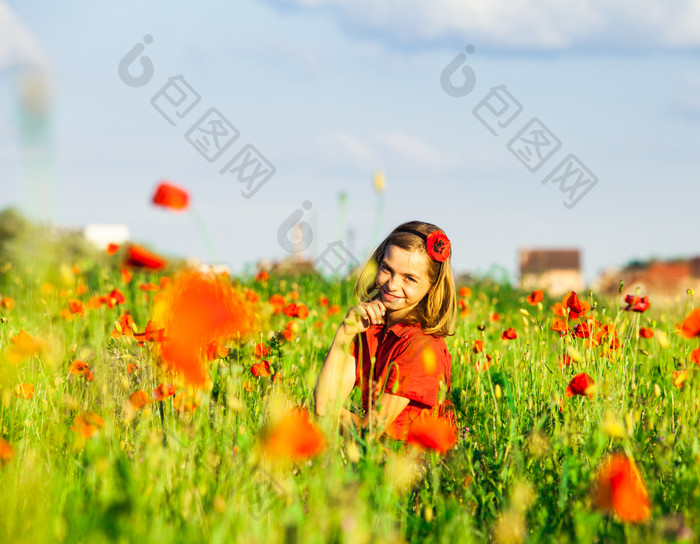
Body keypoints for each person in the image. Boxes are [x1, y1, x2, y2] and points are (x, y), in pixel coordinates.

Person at [313, 221, 457, 442]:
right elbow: (323, 404)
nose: (391, 284)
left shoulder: (422, 346)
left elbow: (366, 433)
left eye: (409, 278)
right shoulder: (369, 328)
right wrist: (345, 332)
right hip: (371, 460)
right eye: (387, 269)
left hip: (410, 466)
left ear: (432, 285)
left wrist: (328, 413)